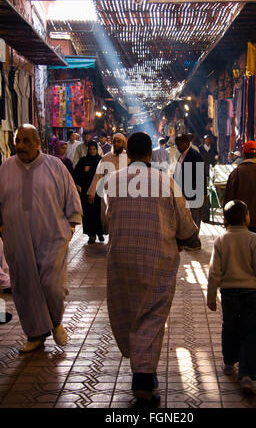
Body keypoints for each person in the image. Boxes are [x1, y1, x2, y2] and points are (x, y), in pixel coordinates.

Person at [102, 132, 198, 408]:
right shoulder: (164, 181)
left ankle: (143, 371)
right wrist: (188, 238)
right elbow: (184, 221)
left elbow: (107, 221)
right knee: (152, 315)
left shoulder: (113, 181)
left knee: (129, 311)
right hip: (158, 258)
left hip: (121, 259)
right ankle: (143, 378)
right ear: (149, 155)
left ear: (128, 155)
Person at [0, 124, 82, 352]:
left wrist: (70, 228)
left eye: (26, 141)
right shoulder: (5, 168)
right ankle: (35, 335)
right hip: (18, 240)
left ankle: (55, 322)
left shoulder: (54, 166)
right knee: (24, 287)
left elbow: (71, 198)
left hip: (52, 238)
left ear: (37, 143)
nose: (20, 146)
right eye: (17, 140)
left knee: (52, 286)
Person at [207, 200, 256, 394]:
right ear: (246, 217)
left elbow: (214, 272)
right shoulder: (254, 239)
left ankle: (228, 363)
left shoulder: (220, 240)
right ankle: (246, 375)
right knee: (250, 332)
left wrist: (211, 297)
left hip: (228, 294)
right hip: (251, 293)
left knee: (230, 328)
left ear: (225, 219)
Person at [174, 134, 207, 250]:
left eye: (180, 144)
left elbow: (201, 175)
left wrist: (203, 193)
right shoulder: (182, 155)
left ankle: (195, 241)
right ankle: (191, 240)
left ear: (187, 143)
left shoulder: (194, 155)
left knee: (195, 216)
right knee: (189, 216)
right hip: (185, 192)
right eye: (176, 145)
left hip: (194, 192)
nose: (178, 147)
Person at [74, 140, 104, 244]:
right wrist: (84, 171)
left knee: (98, 212)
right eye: (90, 149)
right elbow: (75, 175)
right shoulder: (83, 161)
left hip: (99, 192)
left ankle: (100, 233)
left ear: (97, 149)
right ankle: (91, 235)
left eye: (94, 149)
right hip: (86, 192)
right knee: (88, 213)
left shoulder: (101, 160)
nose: (92, 151)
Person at [87, 132, 128, 204]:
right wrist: (92, 192)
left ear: (123, 143)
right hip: (108, 194)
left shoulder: (128, 158)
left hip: (124, 193)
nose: (116, 144)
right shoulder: (106, 157)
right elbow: (98, 175)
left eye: (119, 142)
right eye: (114, 141)